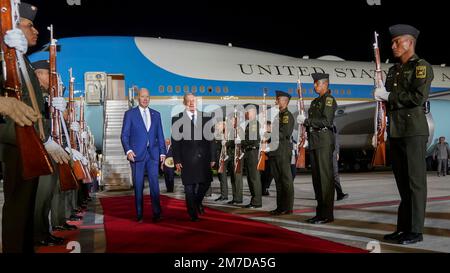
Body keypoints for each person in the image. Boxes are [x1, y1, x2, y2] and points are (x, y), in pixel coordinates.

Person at [0, 2, 69, 253]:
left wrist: (46, 135)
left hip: (29, 140)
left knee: (26, 208)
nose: (35, 31)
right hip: (14, 140)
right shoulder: (8, 58)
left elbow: (33, 106)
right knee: (18, 208)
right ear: (14, 27)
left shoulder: (23, 62)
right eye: (29, 26)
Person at [374, 24, 433, 245]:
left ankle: (416, 231)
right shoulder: (394, 70)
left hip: (413, 131)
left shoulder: (421, 67)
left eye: (398, 41)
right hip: (397, 131)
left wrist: (388, 96)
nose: (394, 46)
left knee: (415, 183)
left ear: (411, 42)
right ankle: (403, 228)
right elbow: (388, 101)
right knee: (402, 183)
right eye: (392, 42)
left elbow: (417, 97)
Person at [31, 60, 64, 247]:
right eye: (47, 74)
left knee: (47, 197)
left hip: (49, 152)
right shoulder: (37, 96)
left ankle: (44, 231)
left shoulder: (45, 96)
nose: (51, 78)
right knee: (41, 197)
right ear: (38, 75)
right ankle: (38, 234)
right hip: (41, 152)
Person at [121, 88, 166, 223]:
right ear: (138, 98)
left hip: (152, 154)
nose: (145, 99)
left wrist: (163, 152)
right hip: (136, 155)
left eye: (147, 96)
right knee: (138, 185)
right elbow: (124, 135)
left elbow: (160, 135)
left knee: (155, 185)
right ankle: (139, 214)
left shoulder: (156, 114)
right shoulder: (130, 114)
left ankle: (157, 213)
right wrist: (128, 151)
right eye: (142, 96)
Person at [298, 73, 337, 224]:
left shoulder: (328, 100)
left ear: (325, 84)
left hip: (324, 141)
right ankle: (320, 213)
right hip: (315, 141)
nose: (314, 86)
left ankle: (327, 214)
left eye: (317, 83)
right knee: (317, 180)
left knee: (325, 179)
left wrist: (307, 121)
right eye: (314, 83)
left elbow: (326, 121)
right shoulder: (315, 102)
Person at [171, 93, 216, 221]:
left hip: (204, 159)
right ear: (184, 103)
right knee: (189, 187)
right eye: (189, 101)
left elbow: (211, 140)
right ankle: (192, 213)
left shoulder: (206, 117)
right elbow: (175, 142)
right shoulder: (177, 119)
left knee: (206, 184)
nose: (192, 103)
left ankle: (197, 202)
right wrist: (177, 160)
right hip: (187, 159)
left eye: (194, 101)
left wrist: (213, 157)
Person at [267, 91, 294, 216]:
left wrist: (271, 130)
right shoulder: (278, 115)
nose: (276, 102)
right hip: (275, 151)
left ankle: (287, 207)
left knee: (286, 180)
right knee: (278, 181)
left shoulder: (286, 116)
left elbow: (285, 133)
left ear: (285, 101)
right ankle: (280, 207)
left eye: (278, 100)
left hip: (282, 150)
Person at [241, 104, 262, 208]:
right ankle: (254, 200)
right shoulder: (250, 124)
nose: (245, 113)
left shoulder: (254, 124)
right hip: (249, 152)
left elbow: (252, 139)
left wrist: (241, 141)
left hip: (253, 152)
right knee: (250, 177)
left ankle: (257, 201)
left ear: (253, 112)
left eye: (247, 111)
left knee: (254, 177)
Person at [332, 125, 349, 201]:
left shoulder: (333, 125)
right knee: (335, 174)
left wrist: (337, 152)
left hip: (332, 152)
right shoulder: (331, 124)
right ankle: (339, 194)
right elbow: (335, 139)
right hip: (331, 152)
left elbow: (336, 139)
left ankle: (320, 195)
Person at [214, 120, 229, 201]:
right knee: (221, 177)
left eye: (219, 124)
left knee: (223, 177)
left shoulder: (225, 134)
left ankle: (224, 195)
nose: (217, 125)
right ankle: (223, 194)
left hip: (223, 158)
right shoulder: (217, 134)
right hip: (218, 158)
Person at [260, 121, 273, 196]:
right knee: (266, 174)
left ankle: (264, 188)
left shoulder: (270, 134)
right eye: (269, 126)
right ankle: (264, 188)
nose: (270, 128)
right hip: (266, 155)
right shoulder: (265, 134)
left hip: (268, 155)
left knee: (268, 174)